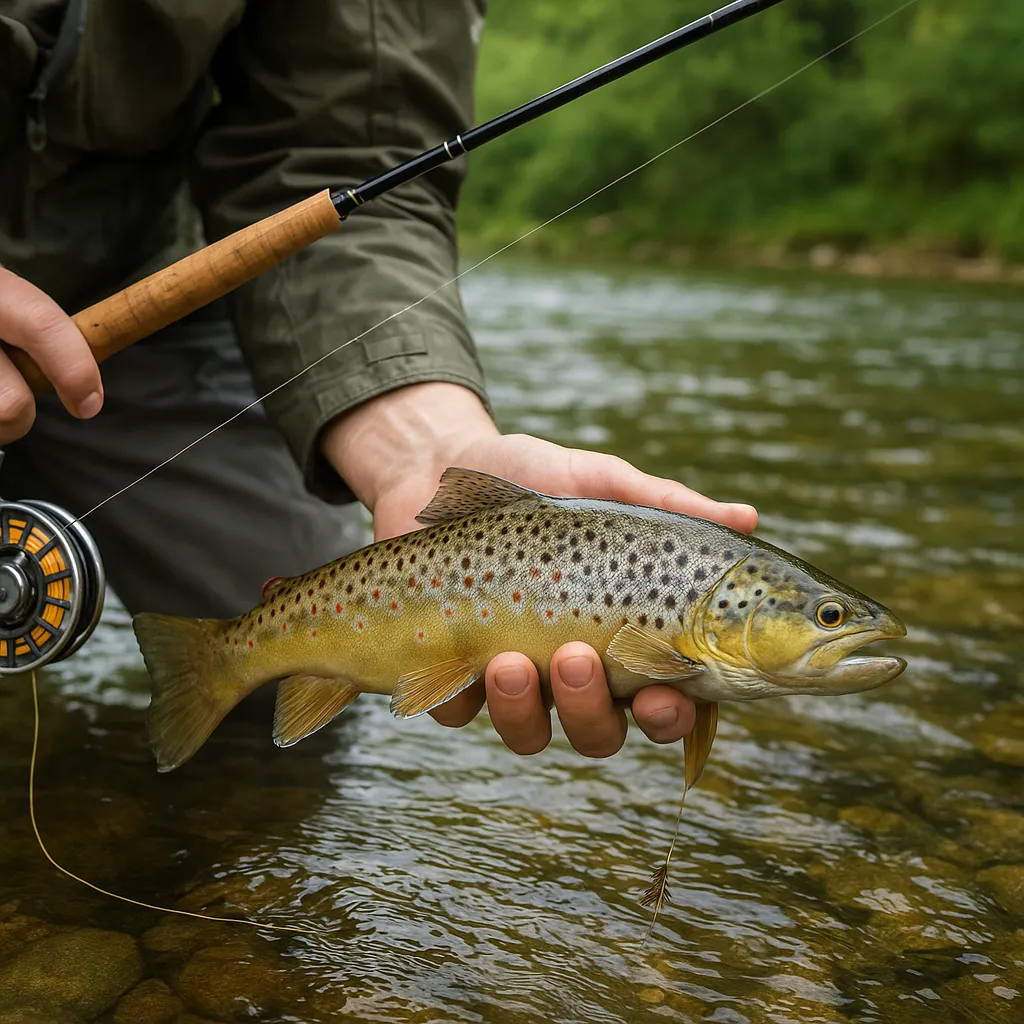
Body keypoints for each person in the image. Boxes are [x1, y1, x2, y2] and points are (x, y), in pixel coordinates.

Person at [0, 1, 756, 760]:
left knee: (277, 657)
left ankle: (213, 666)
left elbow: (337, 149)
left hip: (132, 293)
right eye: (822, 619)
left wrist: (421, 443)